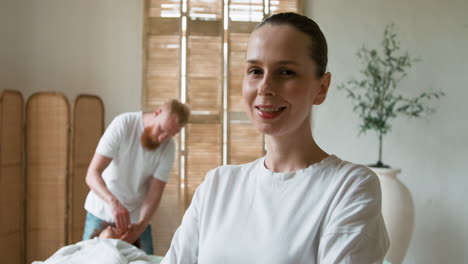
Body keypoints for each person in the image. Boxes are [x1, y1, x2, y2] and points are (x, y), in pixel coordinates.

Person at [161, 13, 389, 264]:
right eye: (255, 70)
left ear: (321, 88)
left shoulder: (349, 187)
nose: (265, 87)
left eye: (285, 72)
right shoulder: (217, 185)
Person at [83, 99, 190, 255]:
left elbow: (155, 193)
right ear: (157, 112)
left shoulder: (168, 148)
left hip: (135, 220)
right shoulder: (124, 124)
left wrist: (140, 225)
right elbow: (92, 174)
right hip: (101, 211)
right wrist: (114, 202)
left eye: (170, 135)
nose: (162, 138)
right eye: (161, 130)